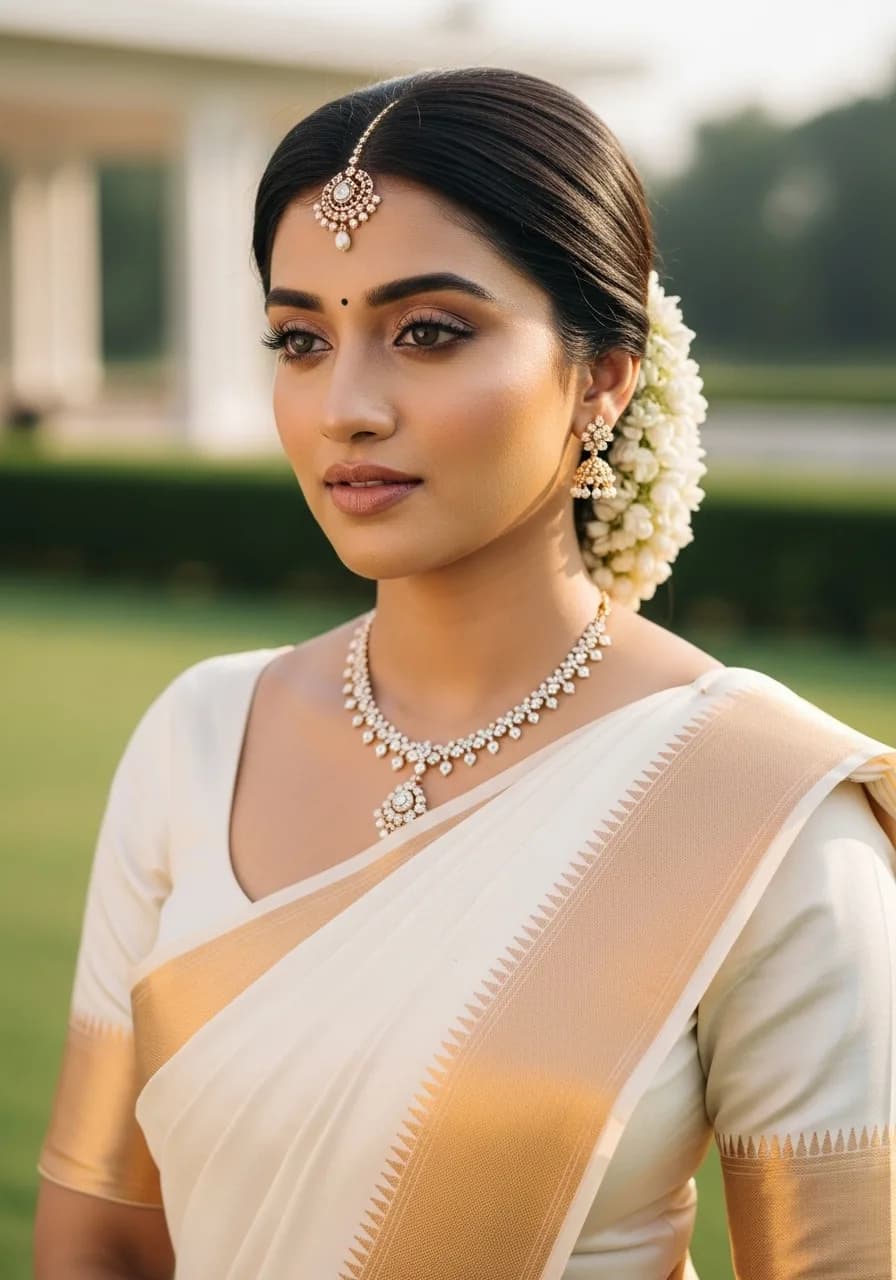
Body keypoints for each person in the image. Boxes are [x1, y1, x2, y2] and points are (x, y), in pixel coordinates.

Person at [34, 67, 895, 1280]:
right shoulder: (198, 739)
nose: (344, 407)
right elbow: (103, 1236)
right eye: (299, 339)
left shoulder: (764, 807)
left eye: (428, 332)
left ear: (602, 376)